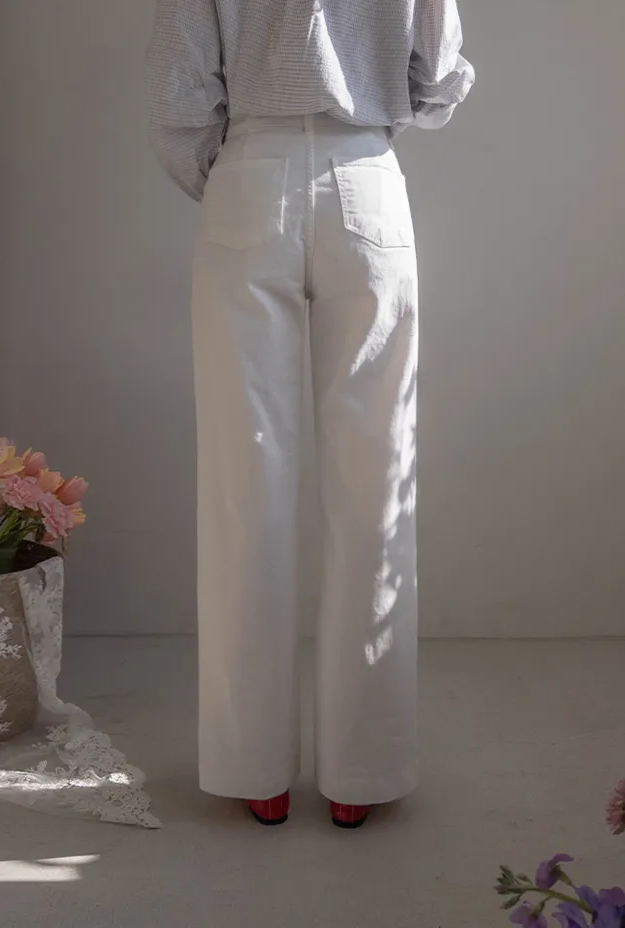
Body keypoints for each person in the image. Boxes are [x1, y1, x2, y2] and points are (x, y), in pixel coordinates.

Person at [146, 0, 474, 829]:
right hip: (366, 177)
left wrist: (238, 175)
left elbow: (181, 93)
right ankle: (361, 773)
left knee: (244, 478)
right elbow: (439, 75)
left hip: (248, 179)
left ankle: (252, 767)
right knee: (377, 481)